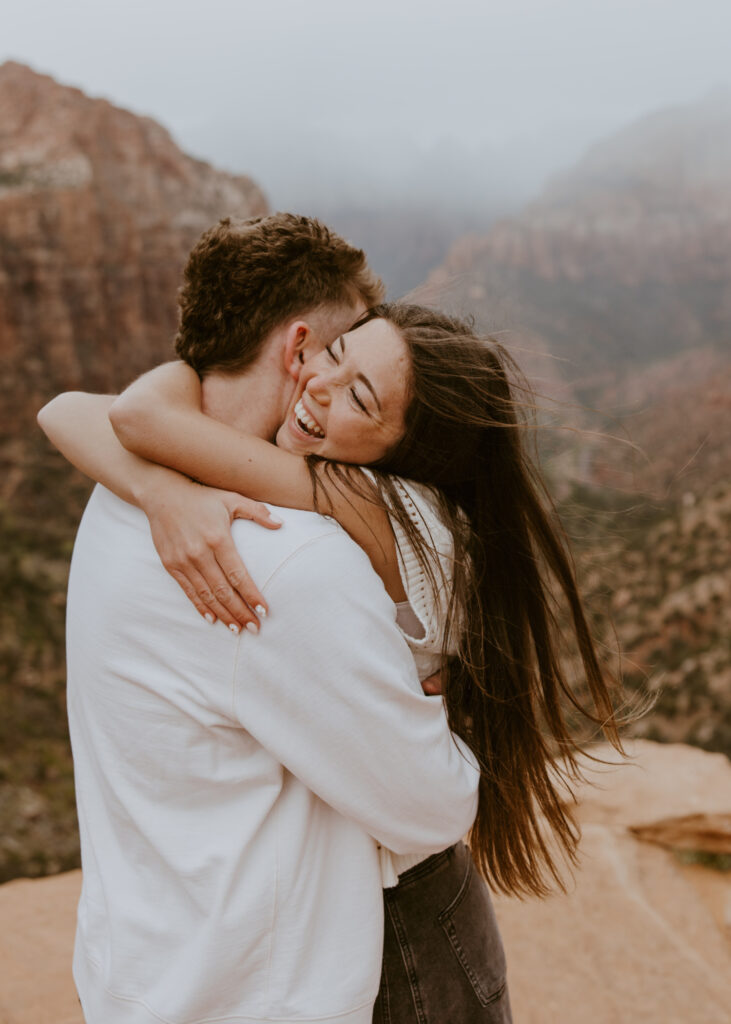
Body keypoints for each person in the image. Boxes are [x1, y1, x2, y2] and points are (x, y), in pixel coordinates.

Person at [38, 214, 488, 1024]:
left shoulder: (118, 492)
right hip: (270, 995)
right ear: (299, 348)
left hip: (139, 975)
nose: (330, 382)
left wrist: (159, 486)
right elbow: (430, 807)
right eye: (342, 353)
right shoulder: (292, 559)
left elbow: (85, 411)